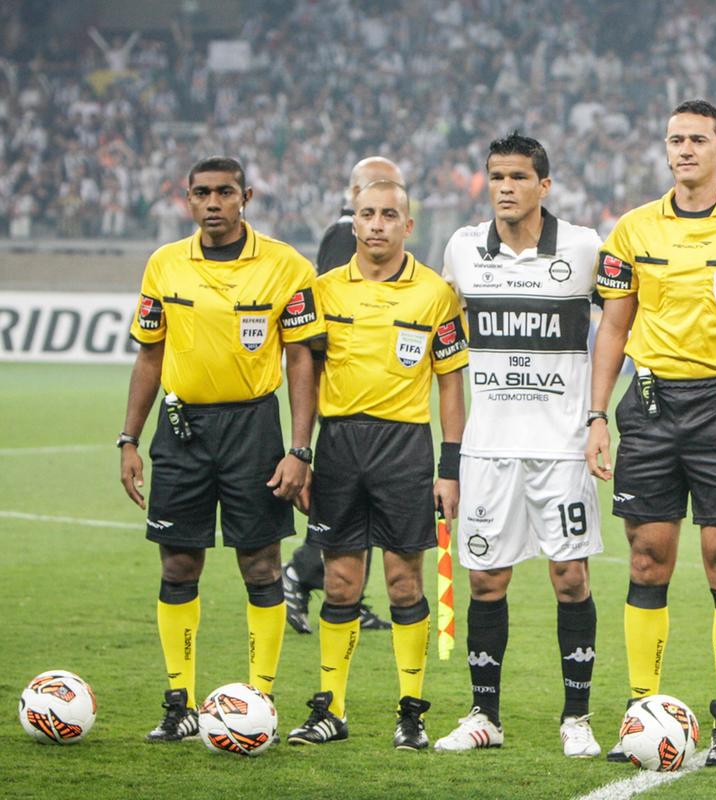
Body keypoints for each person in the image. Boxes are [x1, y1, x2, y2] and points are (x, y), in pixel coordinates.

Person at [585, 99, 716, 768]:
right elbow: (614, 330)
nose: (685, 149)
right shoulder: (631, 230)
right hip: (649, 407)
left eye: (698, 140)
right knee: (648, 557)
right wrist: (596, 416)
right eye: (676, 139)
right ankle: (639, 711)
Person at [118, 156, 321, 741]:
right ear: (188, 199)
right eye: (202, 193)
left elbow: (301, 358)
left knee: (259, 562)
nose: (213, 203)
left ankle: (260, 698)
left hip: (254, 428)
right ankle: (178, 702)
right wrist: (129, 438)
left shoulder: (286, 265)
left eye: (224, 192)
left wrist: (299, 450)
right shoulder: (164, 264)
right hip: (181, 430)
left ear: (246, 196)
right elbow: (149, 354)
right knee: (179, 562)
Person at [434, 133, 604, 758]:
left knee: (569, 578)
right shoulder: (461, 250)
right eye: (496, 176)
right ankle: (484, 715)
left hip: (561, 450)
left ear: (544, 185)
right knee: (484, 582)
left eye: (518, 177)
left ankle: (577, 717)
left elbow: (620, 321)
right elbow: (444, 346)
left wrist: (598, 417)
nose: (505, 187)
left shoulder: (584, 249)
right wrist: (448, 462)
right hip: (487, 450)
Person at [285, 179, 468, 748]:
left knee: (403, 580)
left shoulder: (435, 294)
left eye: (390, 215)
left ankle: (410, 712)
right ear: (354, 223)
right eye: (368, 214)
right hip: (339, 446)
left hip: (404, 447)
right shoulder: (323, 291)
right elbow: (304, 372)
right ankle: (330, 710)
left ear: (407, 225)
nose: (378, 225)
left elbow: (451, 384)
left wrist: (450, 467)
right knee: (340, 583)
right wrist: (303, 450)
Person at [282, 156, 406, 636]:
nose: (382, 195)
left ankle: (349, 601)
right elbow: (339, 311)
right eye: (372, 188)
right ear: (354, 196)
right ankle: (300, 573)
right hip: (344, 393)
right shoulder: (344, 235)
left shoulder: (367, 230)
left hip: (372, 393)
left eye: (392, 188)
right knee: (345, 517)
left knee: (364, 518)